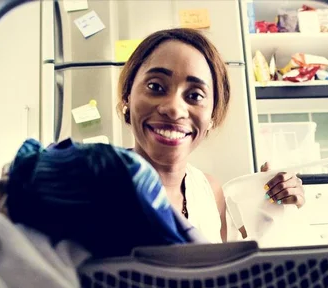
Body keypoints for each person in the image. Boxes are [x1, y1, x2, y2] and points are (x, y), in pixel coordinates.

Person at [116, 28, 305, 243]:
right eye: (156, 86)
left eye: (195, 95)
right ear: (127, 97)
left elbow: (223, 266)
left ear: (212, 115)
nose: (175, 109)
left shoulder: (210, 191)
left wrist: (279, 206)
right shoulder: (90, 187)